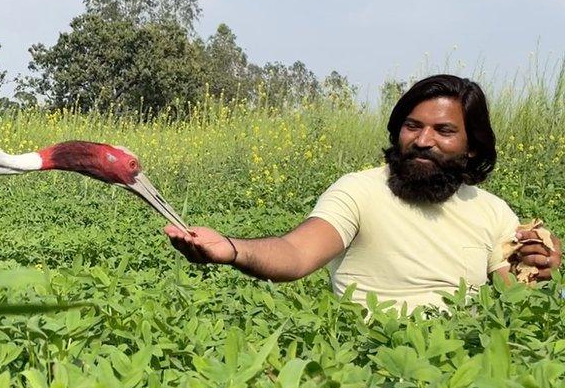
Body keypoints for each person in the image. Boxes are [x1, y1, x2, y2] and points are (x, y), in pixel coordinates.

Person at [165, 75, 562, 310]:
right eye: (412, 126)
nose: (423, 140)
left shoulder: (493, 212)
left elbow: (516, 296)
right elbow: (298, 252)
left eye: (443, 130)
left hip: (458, 361)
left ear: (472, 145)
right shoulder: (359, 191)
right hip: (366, 357)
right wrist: (233, 249)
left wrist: (540, 266)